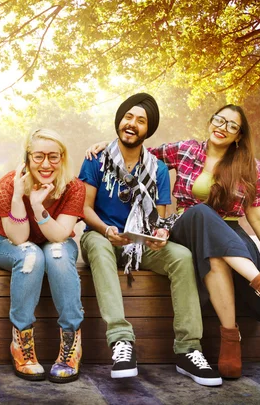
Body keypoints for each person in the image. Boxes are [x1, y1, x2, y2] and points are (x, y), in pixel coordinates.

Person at [86, 104, 260, 379]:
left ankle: (230, 338)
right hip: (185, 225)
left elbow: (258, 218)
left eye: (231, 126)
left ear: (239, 135)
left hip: (228, 235)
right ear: (211, 122)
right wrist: (106, 147)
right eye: (219, 120)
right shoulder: (186, 150)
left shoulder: (250, 167)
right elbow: (137, 151)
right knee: (201, 212)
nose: (222, 127)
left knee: (214, 254)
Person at [79, 93, 222, 386]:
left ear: (148, 129)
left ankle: (188, 348)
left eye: (141, 121)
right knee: (95, 243)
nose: (132, 124)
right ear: (119, 121)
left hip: (139, 244)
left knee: (181, 256)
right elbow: (84, 208)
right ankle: (121, 341)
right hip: (103, 237)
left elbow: (158, 217)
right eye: (128, 117)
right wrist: (106, 229)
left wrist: (159, 234)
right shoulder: (97, 158)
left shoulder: (156, 168)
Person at [0, 129, 85, 383]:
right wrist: (21, 198)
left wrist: (37, 206)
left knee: (55, 254)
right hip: (9, 244)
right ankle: (21, 343)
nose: (46, 164)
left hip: (54, 240)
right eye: (39, 156)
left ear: (63, 158)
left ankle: (71, 343)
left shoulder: (74, 187)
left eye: (53, 157)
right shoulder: (9, 183)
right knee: (31, 255)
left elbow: (60, 235)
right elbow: (19, 239)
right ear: (27, 157)